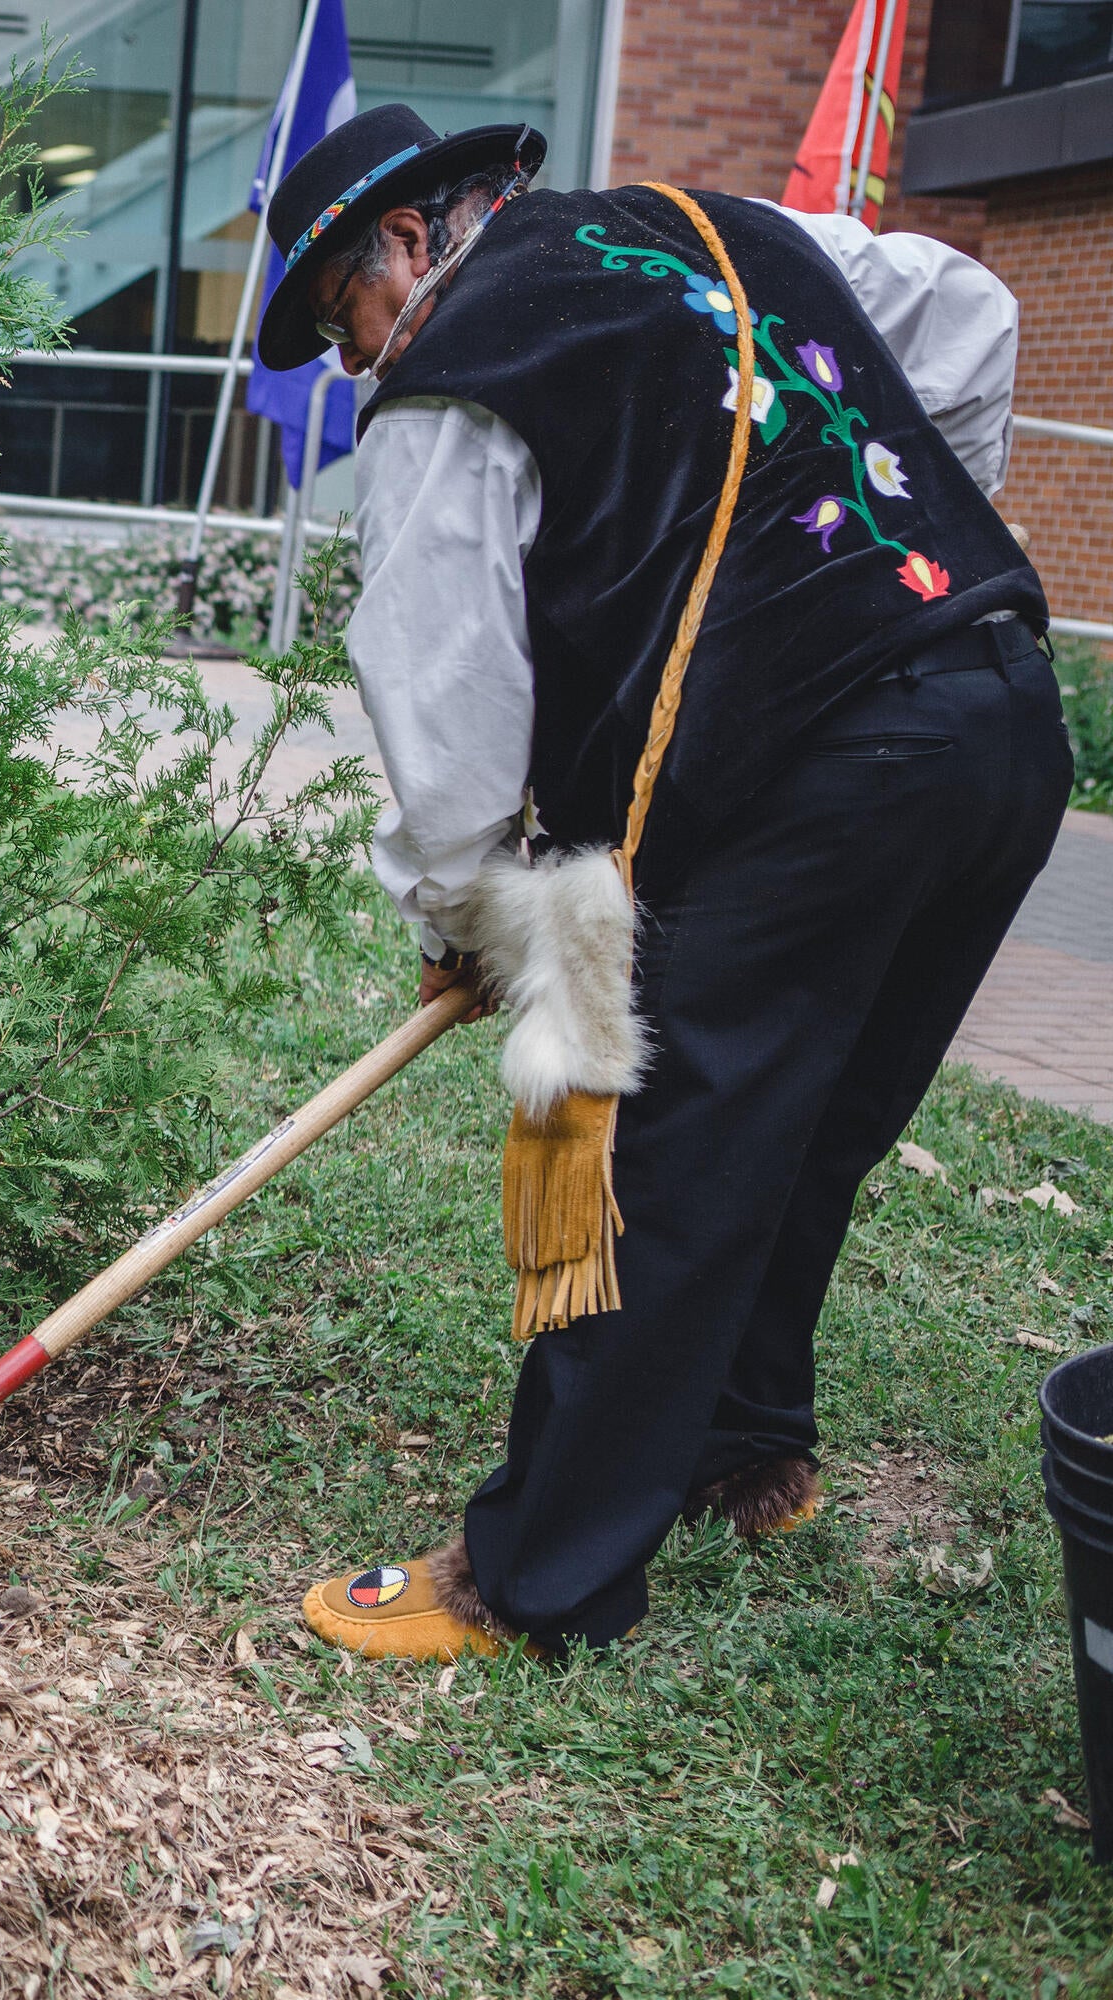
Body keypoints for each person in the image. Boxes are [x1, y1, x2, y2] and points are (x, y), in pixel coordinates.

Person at [255, 106, 1063, 1661]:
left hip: (845, 776)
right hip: (1004, 718)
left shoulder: (451, 384)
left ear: (412, 242)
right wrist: (896, 569)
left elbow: (449, 734)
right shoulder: (732, 232)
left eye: (342, 316)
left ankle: (536, 1581)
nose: (357, 362)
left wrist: (464, 916)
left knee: (663, 1160)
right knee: (809, 1117)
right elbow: (971, 312)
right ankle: (747, 1448)